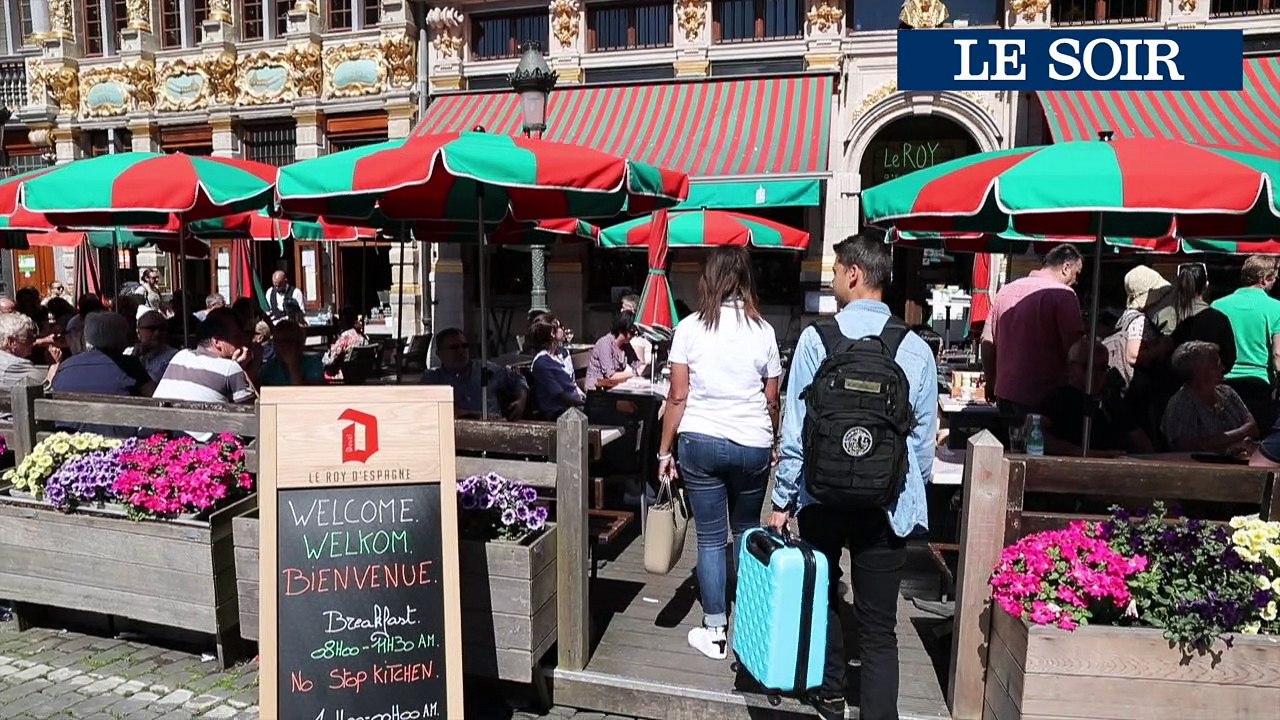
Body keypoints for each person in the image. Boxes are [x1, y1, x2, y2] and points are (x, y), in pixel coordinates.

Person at [770, 236, 937, 720]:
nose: (832, 281)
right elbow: (922, 445)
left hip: (821, 495)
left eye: (835, 271)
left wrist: (782, 500)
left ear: (854, 274)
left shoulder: (815, 340)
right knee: (880, 628)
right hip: (886, 503)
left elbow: (795, 433)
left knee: (823, 598)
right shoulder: (915, 349)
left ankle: (831, 694)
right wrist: (906, 492)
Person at [655, 246, 782, 661]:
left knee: (710, 538)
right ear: (746, 279)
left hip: (700, 439)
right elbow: (772, 399)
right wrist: (774, 441)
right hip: (752, 441)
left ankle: (714, 630)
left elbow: (678, 396)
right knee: (746, 531)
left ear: (709, 278)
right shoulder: (763, 330)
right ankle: (749, 622)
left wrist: (663, 452)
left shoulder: (689, 328)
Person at [981, 244, 1085, 418]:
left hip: (1005, 392)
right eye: (1077, 273)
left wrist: (990, 380)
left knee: (1011, 436)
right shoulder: (1064, 295)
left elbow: (986, 340)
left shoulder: (1005, 291)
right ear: (1066, 268)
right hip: (1045, 398)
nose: (1076, 281)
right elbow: (1075, 349)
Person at [153, 308, 258, 440]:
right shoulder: (230, 368)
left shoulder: (180, 356)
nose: (241, 343)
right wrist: (244, 369)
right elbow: (254, 419)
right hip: (205, 447)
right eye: (236, 337)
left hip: (161, 442)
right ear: (217, 342)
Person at [1039, 337, 1152, 457]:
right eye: (1088, 366)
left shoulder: (1112, 402)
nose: (1095, 374)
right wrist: (1096, 455)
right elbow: (1039, 436)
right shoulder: (1059, 398)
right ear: (1071, 367)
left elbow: (1145, 446)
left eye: (1102, 368)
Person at [51, 312, 154, 437]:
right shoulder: (130, 366)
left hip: (69, 441)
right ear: (120, 337)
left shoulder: (66, 366)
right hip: (118, 443)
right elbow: (156, 398)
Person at [1211, 255, 1280, 430]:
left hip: (1224, 381)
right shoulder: (1276, 308)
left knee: (1228, 435)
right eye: (1274, 278)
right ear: (1264, 279)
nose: (1275, 282)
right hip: (1260, 383)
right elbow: (1278, 354)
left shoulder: (1217, 305)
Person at [1161, 341, 1258, 455]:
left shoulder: (1228, 393)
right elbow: (1187, 448)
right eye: (1216, 364)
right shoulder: (1181, 404)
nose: (1222, 367)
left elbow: (1253, 428)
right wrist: (1238, 438)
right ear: (1199, 372)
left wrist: (1214, 442)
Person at [422, 328, 528, 420]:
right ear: (439, 354)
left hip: (493, 427)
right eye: (454, 348)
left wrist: (521, 401)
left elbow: (518, 379)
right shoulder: (433, 380)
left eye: (465, 346)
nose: (461, 351)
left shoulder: (485, 369)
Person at [527, 313, 584, 420]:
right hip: (558, 413)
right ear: (552, 333)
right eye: (560, 326)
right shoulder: (542, 363)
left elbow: (572, 384)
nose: (563, 328)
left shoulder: (564, 353)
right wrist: (582, 404)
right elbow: (559, 396)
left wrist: (584, 397)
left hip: (575, 407)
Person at [584, 311, 645, 390]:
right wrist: (635, 372)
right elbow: (610, 376)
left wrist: (646, 368)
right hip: (597, 389)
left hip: (613, 387)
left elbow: (636, 364)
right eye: (632, 332)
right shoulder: (605, 343)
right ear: (622, 329)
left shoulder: (625, 345)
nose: (634, 335)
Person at [259, 320, 325, 386]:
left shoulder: (313, 364)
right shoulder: (271, 366)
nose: (280, 345)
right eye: (276, 341)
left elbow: (306, 391)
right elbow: (257, 389)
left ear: (298, 343)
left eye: (286, 341)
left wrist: (292, 366)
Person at [0, 313, 53, 389]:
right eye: (29, 338)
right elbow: (44, 389)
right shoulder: (18, 366)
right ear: (11, 342)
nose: (33, 342)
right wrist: (53, 367)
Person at [127, 310, 180, 383]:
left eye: (162, 329)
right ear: (138, 332)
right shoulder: (128, 352)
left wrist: (134, 363)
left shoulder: (173, 357)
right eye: (152, 329)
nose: (157, 333)